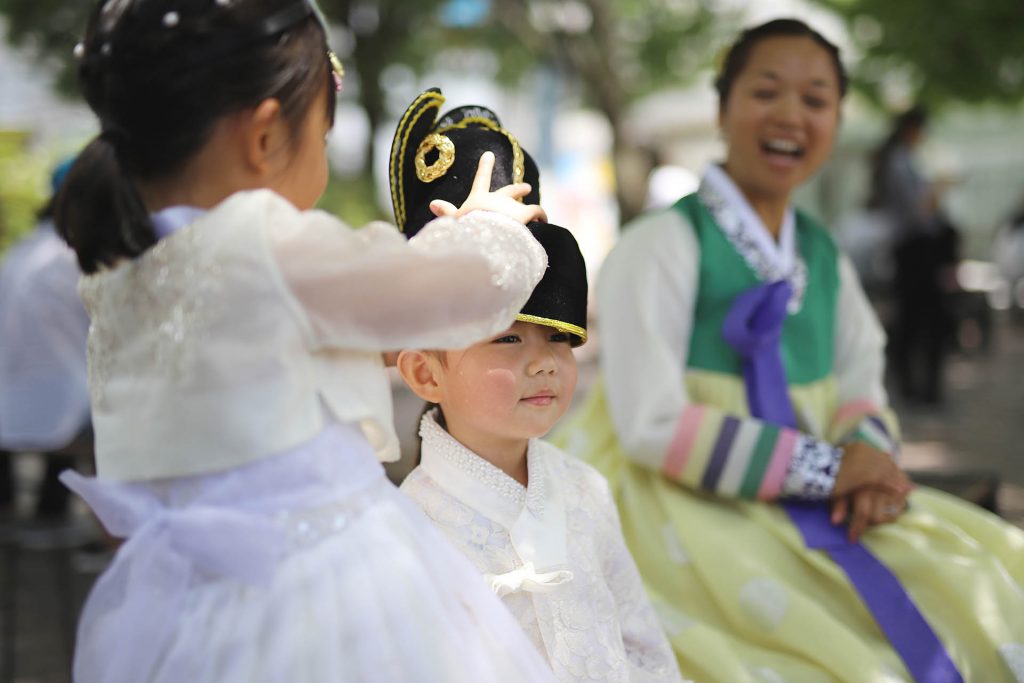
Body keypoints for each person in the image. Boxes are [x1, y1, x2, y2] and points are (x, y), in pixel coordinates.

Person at [53, 1, 563, 681]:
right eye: (322, 136)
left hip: (186, 605)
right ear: (265, 138)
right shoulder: (263, 242)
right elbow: (448, 291)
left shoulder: (121, 276)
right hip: (326, 592)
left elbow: (283, 362)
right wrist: (491, 228)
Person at [556, 18, 1024, 682]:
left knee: (988, 573)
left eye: (815, 100)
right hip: (681, 502)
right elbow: (649, 423)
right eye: (766, 91)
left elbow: (864, 370)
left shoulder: (822, 253)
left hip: (827, 497)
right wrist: (829, 467)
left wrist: (868, 457)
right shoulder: (659, 244)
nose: (790, 116)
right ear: (723, 108)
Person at [389, 91, 684, 683]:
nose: (545, 362)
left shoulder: (585, 491)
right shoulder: (403, 529)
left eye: (558, 338)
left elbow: (642, 645)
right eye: (507, 339)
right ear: (426, 371)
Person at [0, 157, 91, 520]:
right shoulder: (80, 259)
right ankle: (86, 525)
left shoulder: (18, 254)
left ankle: (14, 521)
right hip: (62, 419)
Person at [867, 106, 960, 403]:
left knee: (912, 318)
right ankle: (915, 386)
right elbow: (916, 212)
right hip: (915, 250)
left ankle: (914, 385)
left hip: (912, 250)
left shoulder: (899, 160)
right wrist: (935, 193)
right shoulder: (899, 161)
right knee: (920, 319)